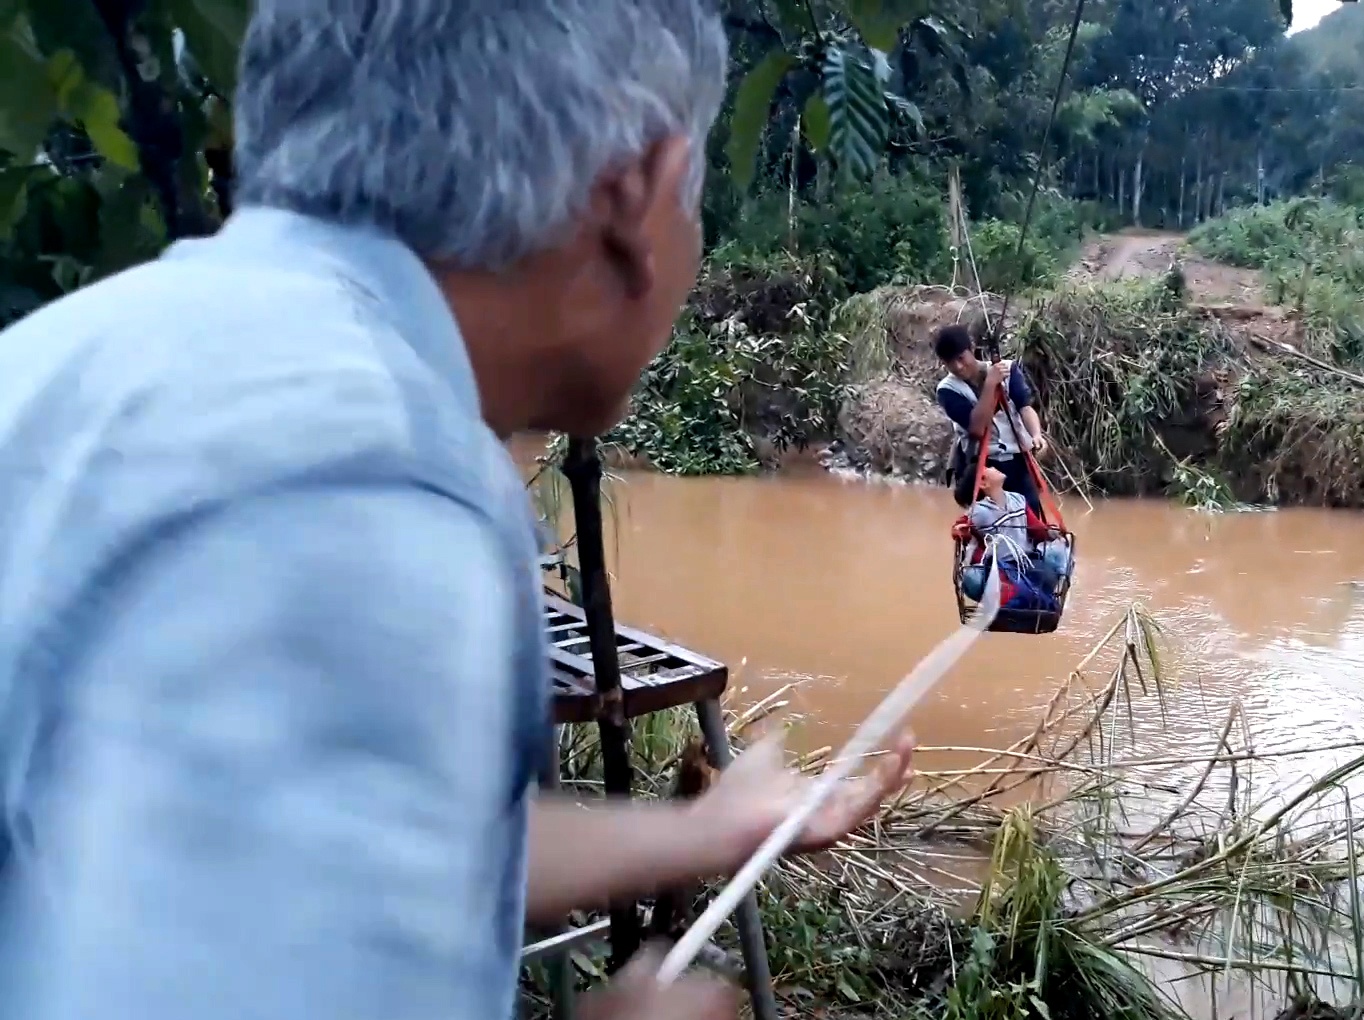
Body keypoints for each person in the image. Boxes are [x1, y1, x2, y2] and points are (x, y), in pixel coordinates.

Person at [0, 4, 913, 1020]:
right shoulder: (367, 478)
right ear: (634, 196)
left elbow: (319, 846)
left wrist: (705, 830)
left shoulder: (76, 360)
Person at [931, 324, 1048, 517]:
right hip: (983, 466)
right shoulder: (947, 390)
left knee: (1031, 515)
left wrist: (1036, 435)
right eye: (951, 363)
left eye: (961, 358)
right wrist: (991, 384)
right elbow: (977, 428)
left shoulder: (1009, 370)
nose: (959, 367)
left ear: (972, 348)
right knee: (989, 520)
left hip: (1018, 460)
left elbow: (1025, 408)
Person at [955, 464, 1066, 612]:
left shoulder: (1018, 500)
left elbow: (1036, 529)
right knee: (981, 581)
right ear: (983, 483)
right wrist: (960, 532)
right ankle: (1019, 599)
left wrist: (1054, 532)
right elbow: (961, 526)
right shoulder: (980, 512)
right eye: (988, 468)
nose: (993, 466)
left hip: (1025, 560)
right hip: (1001, 567)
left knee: (1048, 577)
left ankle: (1025, 599)